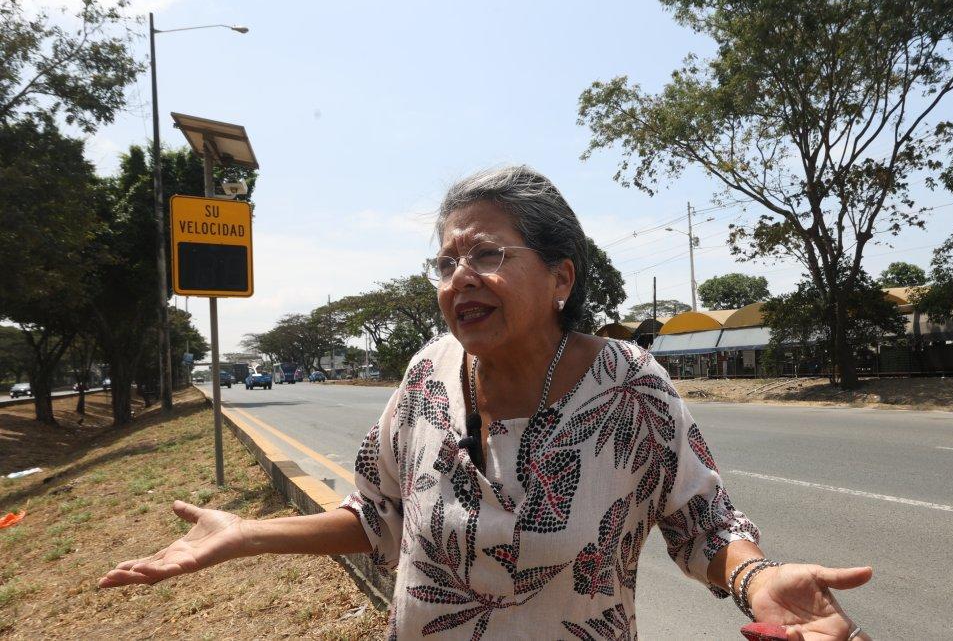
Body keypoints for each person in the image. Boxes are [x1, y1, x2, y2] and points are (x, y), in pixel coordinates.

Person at [100, 166, 873, 640]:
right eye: (446, 262)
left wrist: (756, 580)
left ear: (561, 277)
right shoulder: (426, 376)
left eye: (487, 253)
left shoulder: (631, 388)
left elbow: (706, 525)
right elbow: (376, 515)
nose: (459, 277)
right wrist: (245, 534)